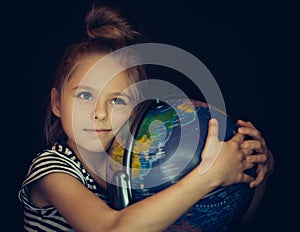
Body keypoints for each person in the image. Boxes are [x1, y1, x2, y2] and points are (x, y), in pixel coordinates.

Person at [18, 4, 274, 232]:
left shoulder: (140, 165)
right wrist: (208, 177)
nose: (100, 113)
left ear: (135, 111)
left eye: (117, 100)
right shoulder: (51, 169)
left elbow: (237, 219)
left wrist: (258, 170)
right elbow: (110, 229)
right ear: (56, 104)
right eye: (85, 95)